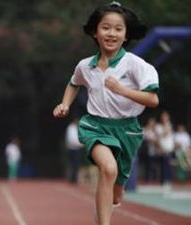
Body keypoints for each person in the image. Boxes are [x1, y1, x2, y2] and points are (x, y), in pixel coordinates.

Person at [53, 2, 159, 225]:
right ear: (95, 31)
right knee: (108, 169)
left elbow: (153, 99)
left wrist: (123, 90)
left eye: (118, 29)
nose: (112, 33)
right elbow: (74, 83)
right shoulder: (85, 66)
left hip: (127, 130)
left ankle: (104, 209)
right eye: (106, 27)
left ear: (126, 34)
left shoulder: (136, 65)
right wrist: (65, 104)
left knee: (117, 192)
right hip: (95, 126)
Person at [155, 110, 174, 188]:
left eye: (166, 117)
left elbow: (167, 133)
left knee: (168, 166)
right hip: (161, 149)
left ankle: (168, 181)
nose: (164, 118)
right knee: (162, 166)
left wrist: (166, 124)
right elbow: (161, 134)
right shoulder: (158, 126)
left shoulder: (170, 125)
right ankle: (162, 181)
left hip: (169, 149)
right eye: (163, 117)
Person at [65, 118, 84, 184]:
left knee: (75, 164)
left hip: (75, 148)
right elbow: (72, 140)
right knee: (74, 164)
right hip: (73, 148)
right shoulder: (71, 128)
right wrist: (81, 144)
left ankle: (74, 178)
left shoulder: (74, 128)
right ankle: (73, 178)